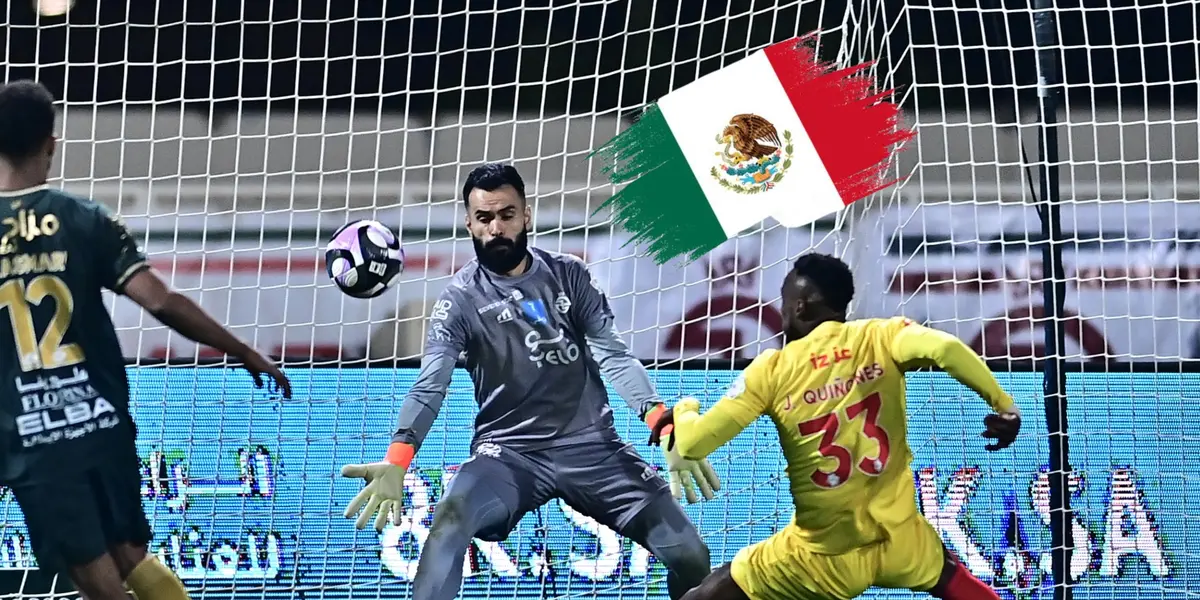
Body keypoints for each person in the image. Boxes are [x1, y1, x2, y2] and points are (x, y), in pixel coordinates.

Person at [340, 162, 718, 600]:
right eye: (484, 219)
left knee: (691, 555)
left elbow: (612, 354)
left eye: (506, 215)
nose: (495, 228)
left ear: (526, 216)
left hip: (593, 448)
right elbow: (430, 385)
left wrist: (660, 420)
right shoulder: (458, 301)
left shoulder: (569, 275)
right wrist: (398, 459)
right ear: (469, 223)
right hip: (509, 456)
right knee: (451, 517)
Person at [0, 80, 292, 600]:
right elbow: (160, 300)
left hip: (31, 438)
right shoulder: (84, 218)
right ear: (51, 140)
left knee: (98, 582)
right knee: (131, 557)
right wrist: (243, 350)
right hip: (102, 424)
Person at [649, 253, 1020, 600]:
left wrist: (685, 407)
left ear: (800, 305)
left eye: (783, 301)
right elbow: (946, 349)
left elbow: (694, 443)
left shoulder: (772, 370)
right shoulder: (881, 337)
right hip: (899, 540)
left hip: (821, 554)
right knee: (952, 577)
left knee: (709, 592)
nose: (781, 311)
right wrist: (1004, 406)